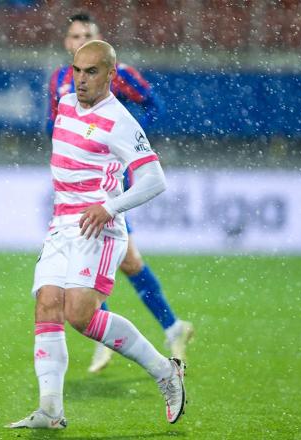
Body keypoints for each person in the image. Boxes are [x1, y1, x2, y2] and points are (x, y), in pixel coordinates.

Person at [7, 40, 186, 430]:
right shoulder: (66, 103)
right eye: (77, 70)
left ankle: (165, 372)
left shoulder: (120, 120)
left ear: (111, 74)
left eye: (92, 72)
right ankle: (50, 410)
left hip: (99, 228)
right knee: (47, 304)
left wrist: (109, 207)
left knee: (80, 316)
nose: (82, 79)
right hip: (61, 225)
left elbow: (155, 180)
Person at [48, 12, 193, 373]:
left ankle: (102, 330)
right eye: (74, 36)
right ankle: (169, 327)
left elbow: (153, 107)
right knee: (126, 262)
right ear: (67, 43)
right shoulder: (60, 81)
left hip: (108, 182)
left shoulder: (121, 75)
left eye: (87, 35)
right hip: (75, 182)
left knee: (104, 256)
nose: (79, 40)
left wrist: (124, 139)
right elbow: (52, 121)